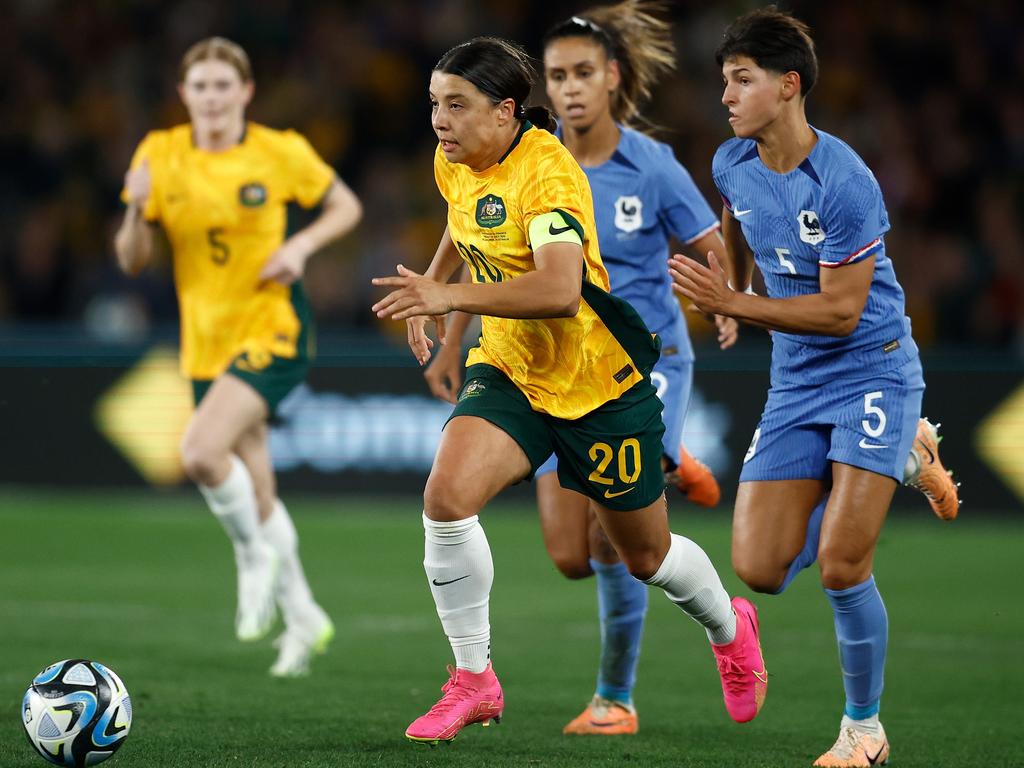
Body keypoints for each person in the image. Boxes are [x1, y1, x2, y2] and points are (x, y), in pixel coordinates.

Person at [372, 36, 767, 747]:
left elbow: (559, 291)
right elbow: (465, 225)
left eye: (456, 106)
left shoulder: (550, 178)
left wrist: (445, 296)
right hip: (511, 371)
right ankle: (475, 680)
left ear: (505, 111)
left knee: (644, 557)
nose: (439, 120)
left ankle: (729, 626)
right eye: (435, 103)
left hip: (595, 384)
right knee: (446, 497)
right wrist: (439, 304)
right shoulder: (455, 156)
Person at [670, 10, 960, 766]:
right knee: (758, 571)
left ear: (789, 85)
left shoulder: (845, 180)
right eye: (723, 80)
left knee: (840, 564)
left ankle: (864, 730)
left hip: (871, 366)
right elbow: (735, 219)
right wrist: (730, 282)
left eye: (742, 80)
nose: (725, 96)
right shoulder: (732, 161)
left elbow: (840, 311)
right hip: (795, 378)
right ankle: (904, 457)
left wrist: (735, 304)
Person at [114, 37, 362, 677]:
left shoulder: (278, 151)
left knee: (199, 453)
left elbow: (345, 206)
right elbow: (132, 258)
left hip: (272, 326)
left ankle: (252, 558)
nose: (213, 98)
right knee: (257, 486)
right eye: (201, 86)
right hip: (205, 340)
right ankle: (303, 616)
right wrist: (139, 208)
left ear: (246, 92)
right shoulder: (160, 154)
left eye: (225, 85)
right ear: (184, 94)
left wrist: (301, 247)